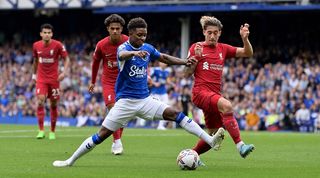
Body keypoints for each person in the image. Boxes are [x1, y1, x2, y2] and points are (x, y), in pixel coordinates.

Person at [53, 17, 224, 167]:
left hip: (145, 100)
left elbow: (163, 57)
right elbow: (122, 56)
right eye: (139, 35)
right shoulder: (122, 48)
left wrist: (184, 62)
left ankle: (210, 140)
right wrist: (135, 52)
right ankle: (70, 161)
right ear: (131, 33)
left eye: (145, 35)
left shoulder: (147, 48)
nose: (143, 38)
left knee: (176, 114)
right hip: (125, 103)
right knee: (101, 135)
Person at [184, 16, 255, 158]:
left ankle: (191, 156)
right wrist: (196, 58)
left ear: (220, 33)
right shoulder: (196, 47)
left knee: (214, 135)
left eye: (215, 33)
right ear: (204, 32)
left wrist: (245, 39)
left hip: (213, 95)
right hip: (200, 93)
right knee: (227, 106)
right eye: (209, 32)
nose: (212, 36)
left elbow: (248, 53)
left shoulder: (223, 48)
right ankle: (241, 146)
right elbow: (186, 73)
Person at [88, 14, 128, 155]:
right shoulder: (101, 45)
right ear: (108, 29)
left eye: (118, 28)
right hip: (108, 82)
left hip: (125, 82)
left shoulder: (129, 42)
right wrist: (93, 81)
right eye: (112, 28)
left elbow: (140, 61)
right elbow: (95, 64)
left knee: (122, 115)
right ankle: (117, 142)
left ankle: (116, 139)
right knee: (113, 108)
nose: (115, 31)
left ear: (122, 28)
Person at [32, 23, 70, 140]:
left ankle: (52, 131)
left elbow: (66, 58)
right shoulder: (36, 46)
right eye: (45, 32)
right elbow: (35, 60)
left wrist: (63, 72)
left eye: (49, 33)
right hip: (41, 79)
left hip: (54, 79)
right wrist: (34, 74)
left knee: (53, 104)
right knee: (40, 101)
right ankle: (41, 130)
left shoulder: (58, 45)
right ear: (41, 34)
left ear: (51, 34)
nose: (47, 34)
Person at [149, 62, 172, 130]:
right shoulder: (155, 70)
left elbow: (167, 80)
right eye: (162, 62)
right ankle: (150, 122)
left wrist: (172, 84)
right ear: (159, 63)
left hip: (163, 92)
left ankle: (160, 125)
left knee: (166, 108)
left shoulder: (167, 71)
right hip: (155, 92)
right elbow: (148, 78)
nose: (163, 64)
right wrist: (154, 83)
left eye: (165, 63)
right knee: (156, 109)